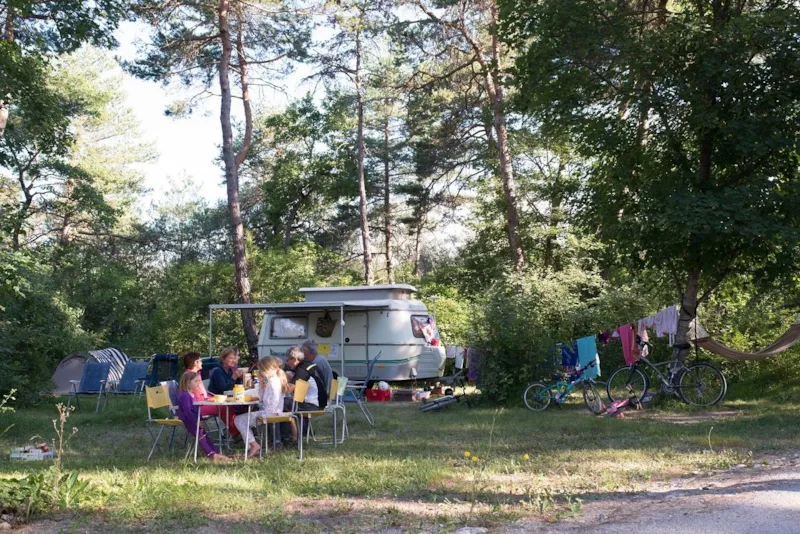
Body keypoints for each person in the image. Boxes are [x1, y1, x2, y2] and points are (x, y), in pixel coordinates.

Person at [233, 356, 289, 458]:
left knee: (239, 420)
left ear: (265, 369)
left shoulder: (273, 382)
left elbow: (272, 402)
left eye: (260, 370)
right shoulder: (273, 380)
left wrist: (263, 412)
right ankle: (252, 445)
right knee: (242, 419)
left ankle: (253, 446)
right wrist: (262, 386)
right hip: (273, 411)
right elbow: (263, 398)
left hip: (270, 413)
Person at [183, 352, 240, 440]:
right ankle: (237, 434)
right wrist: (208, 400)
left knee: (225, 403)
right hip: (195, 407)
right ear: (195, 363)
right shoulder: (189, 376)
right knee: (223, 407)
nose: (202, 363)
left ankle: (239, 431)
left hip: (201, 403)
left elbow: (202, 393)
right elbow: (191, 397)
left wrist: (211, 398)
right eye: (200, 361)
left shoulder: (195, 374)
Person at [176, 371, 230, 462]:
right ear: (188, 383)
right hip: (189, 420)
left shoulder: (192, 394)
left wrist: (200, 419)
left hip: (195, 419)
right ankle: (212, 455)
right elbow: (187, 411)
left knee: (205, 436)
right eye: (196, 381)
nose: (198, 383)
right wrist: (195, 421)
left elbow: (197, 409)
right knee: (201, 437)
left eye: (198, 381)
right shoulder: (185, 395)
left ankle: (216, 452)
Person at [280, 346, 327, 444]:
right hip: (321, 401)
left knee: (281, 404)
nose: (287, 363)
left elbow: (289, 389)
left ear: (295, 359)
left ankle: (286, 438)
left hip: (313, 405)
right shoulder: (309, 365)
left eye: (288, 360)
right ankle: (298, 433)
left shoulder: (302, 370)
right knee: (286, 403)